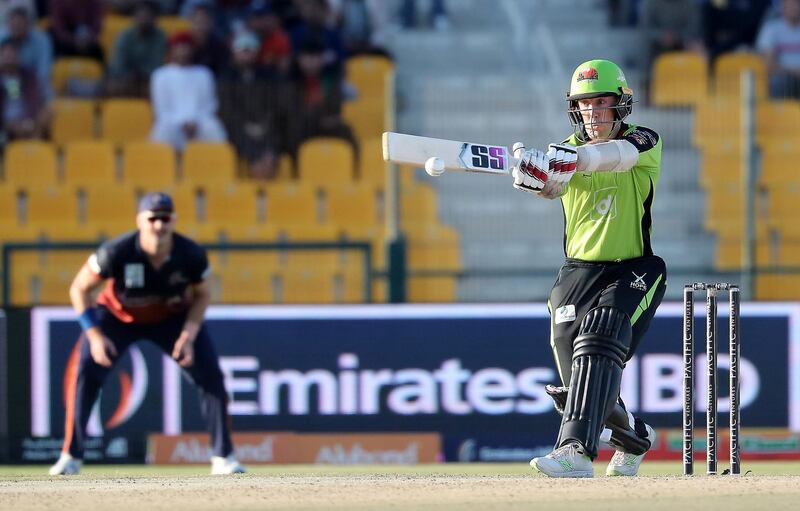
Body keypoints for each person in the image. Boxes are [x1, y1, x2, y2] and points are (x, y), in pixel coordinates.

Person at [513, 59, 666, 478]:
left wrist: (570, 160)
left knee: (599, 338)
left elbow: (616, 156)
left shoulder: (644, 140)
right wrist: (536, 179)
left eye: (602, 103)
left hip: (635, 268)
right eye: (585, 105)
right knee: (578, 386)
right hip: (576, 275)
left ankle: (575, 452)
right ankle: (634, 437)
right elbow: (553, 187)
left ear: (622, 105)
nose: (594, 114)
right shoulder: (564, 151)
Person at [49, 192, 245, 476]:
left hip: (172, 319)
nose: (159, 225)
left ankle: (224, 457)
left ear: (174, 220)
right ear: (140, 221)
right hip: (118, 318)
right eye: (152, 218)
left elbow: (203, 294)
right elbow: (79, 289)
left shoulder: (190, 254)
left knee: (211, 376)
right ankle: (70, 457)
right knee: (86, 372)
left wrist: (188, 335)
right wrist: (94, 336)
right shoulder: (115, 251)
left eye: (165, 218)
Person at [150, 31, 227, 150]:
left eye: (186, 48)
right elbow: (161, 109)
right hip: (172, 123)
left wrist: (194, 122)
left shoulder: (204, 74)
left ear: (192, 50)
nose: (182, 51)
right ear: (172, 50)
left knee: (213, 127)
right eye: (179, 48)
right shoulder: (160, 75)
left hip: (200, 122)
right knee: (163, 129)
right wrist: (182, 123)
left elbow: (209, 105)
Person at [107, 0, 168, 97]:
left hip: (148, 80)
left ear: (155, 18)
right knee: (112, 85)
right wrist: (129, 75)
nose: (144, 18)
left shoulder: (160, 37)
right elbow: (118, 65)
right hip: (125, 80)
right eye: (141, 15)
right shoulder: (125, 36)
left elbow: (157, 65)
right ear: (135, 17)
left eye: (147, 15)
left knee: (158, 87)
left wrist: (140, 74)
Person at [757, 0, 800, 99]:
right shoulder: (771, 29)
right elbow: (770, 65)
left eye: (797, 4)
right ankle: (778, 113)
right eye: (790, 4)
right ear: (782, 7)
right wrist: (796, 71)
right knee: (779, 81)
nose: (794, 8)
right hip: (783, 79)